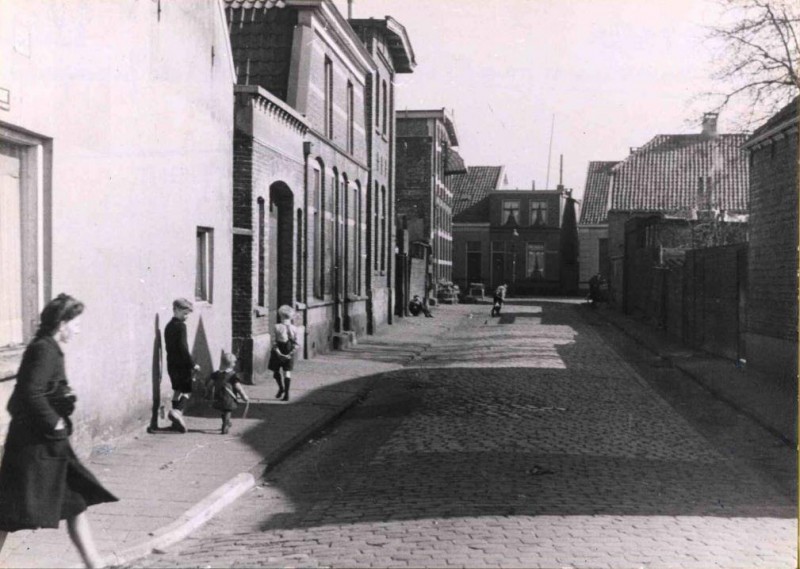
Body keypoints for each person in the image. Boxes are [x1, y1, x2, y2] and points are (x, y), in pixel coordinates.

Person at [0, 294, 118, 568]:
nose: (78, 329)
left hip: (49, 449)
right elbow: (29, 394)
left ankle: (94, 564)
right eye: (75, 323)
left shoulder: (47, 347)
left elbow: (28, 395)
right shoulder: (44, 349)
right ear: (62, 323)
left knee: (75, 504)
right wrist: (55, 421)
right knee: (6, 513)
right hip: (36, 451)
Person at [164, 298, 200, 433]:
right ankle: (177, 411)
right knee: (187, 391)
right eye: (185, 314)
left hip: (171, 363)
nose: (186, 317)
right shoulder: (181, 326)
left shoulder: (168, 326)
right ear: (177, 310)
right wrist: (192, 364)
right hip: (182, 364)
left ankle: (175, 423)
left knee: (177, 390)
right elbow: (183, 348)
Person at [210, 352, 249, 435]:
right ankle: (226, 424)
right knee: (228, 410)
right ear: (232, 364)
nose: (235, 364)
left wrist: (208, 391)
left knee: (223, 411)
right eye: (234, 362)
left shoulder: (217, 374)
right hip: (229, 397)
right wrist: (244, 396)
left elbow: (211, 383)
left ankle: (225, 422)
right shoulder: (233, 375)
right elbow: (238, 387)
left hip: (219, 396)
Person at [267, 305, 298, 402]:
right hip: (289, 350)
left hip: (278, 350)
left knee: (276, 371)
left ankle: (281, 387)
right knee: (287, 372)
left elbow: (273, 341)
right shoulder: (294, 328)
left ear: (280, 316)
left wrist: (278, 353)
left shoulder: (276, 327)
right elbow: (296, 344)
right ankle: (287, 394)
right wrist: (290, 354)